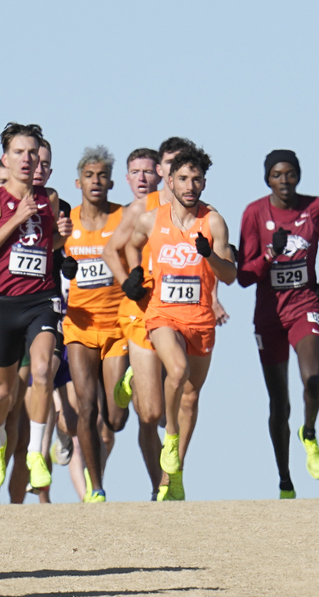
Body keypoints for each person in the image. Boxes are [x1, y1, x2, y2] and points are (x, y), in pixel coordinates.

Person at [125, 145, 236, 500]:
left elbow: (231, 274)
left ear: (204, 183)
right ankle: (169, 435)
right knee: (177, 372)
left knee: (190, 398)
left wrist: (208, 256)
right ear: (169, 180)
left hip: (200, 319)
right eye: (183, 179)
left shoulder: (213, 221)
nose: (190, 186)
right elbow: (129, 246)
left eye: (197, 180)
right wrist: (136, 274)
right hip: (162, 314)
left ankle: (173, 476)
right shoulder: (151, 219)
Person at [0, 122, 70, 495]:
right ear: (5, 158)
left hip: (42, 300)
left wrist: (62, 234)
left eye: (33, 153)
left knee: (43, 371)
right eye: (19, 152)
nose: (27, 159)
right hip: (5, 303)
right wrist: (15, 217)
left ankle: (34, 454)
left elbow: (47, 247)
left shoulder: (51, 197)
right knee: (1, 391)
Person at [237, 150, 319, 498]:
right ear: (267, 179)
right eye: (277, 175)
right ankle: (284, 479)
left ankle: (309, 432)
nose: (284, 181)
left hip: (304, 306)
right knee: (278, 403)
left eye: (291, 174)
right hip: (268, 316)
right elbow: (244, 276)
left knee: (313, 380)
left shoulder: (315, 208)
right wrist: (270, 254)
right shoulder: (255, 213)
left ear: (299, 175)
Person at [104, 137, 195, 500]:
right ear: (163, 171)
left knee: (172, 405)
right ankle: (132, 380)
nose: (175, 173)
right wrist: (129, 279)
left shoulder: (198, 212)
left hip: (180, 314)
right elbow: (113, 248)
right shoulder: (144, 207)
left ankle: (165, 483)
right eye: (170, 165)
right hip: (142, 310)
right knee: (152, 412)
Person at [59, 146, 130, 502]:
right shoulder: (67, 223)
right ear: (78, 182)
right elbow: (51, 258)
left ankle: (128, 383)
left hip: (117, 327)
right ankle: (96, 486)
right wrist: (63, 267)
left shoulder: (123, 218)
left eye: (102, 176)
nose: (96, 181)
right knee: (85, 408)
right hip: (79, 327)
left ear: (111, 182)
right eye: (89, 176)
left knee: (115, 420)